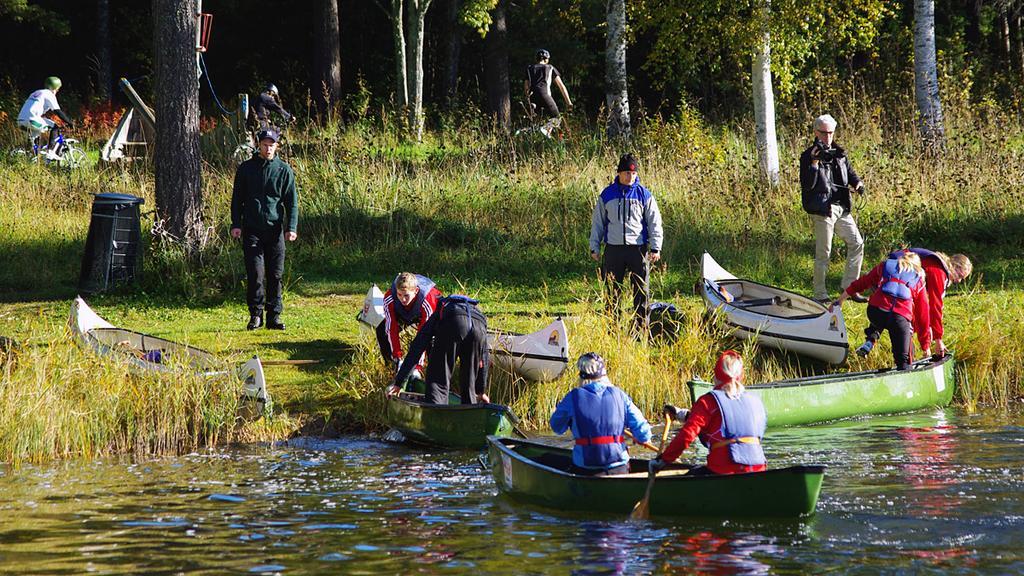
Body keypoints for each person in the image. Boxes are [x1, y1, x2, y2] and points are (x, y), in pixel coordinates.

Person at [651, 350, 766, 476]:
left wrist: (663, 460)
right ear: (742, 375)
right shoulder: (755, 401)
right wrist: (682, 414)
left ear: (715, 376)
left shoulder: (708, 401)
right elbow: (727, 422)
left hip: (723, 469)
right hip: (758, 468)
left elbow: (687, 435)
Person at [230, 128, 298, 331]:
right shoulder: (246, 169)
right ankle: (256, 315)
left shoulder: (283, 170)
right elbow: (237, 200)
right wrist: (236, 224)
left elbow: (291, 202)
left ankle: (274, 316)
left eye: (272, 145)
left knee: (276, 274)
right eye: (265, 144)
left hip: (275, 231)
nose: (268, 148)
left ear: (277, 146)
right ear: (258, 145)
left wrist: (291, 227)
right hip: (252, 229)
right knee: (256, 273)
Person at [589, 153, 664, 334]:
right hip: (613, 250)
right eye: (626, 173)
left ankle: (640, 330)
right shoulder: (607, 195)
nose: (629, 177)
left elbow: (654, 221)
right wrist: (594, 246)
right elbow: (598, 222)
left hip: (637, 250)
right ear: (619, 174)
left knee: (641, 291)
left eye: (633, 174)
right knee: (612, 292)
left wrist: (655, 247)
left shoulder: (644, 195)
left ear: (636, 174)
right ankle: (612, 329)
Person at [549, 352, 653, 476]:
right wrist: (641, 438)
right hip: (619, 467)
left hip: (586, 469)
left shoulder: (573, 397)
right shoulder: (620, 395)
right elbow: (643, 432)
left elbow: (557, 427)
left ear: (581, 375)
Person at [800, 114, 866, 304]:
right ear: (815, 132)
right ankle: (819, 294)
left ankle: (850, 287)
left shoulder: (839, 152)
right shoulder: (807, 156)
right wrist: (814, 164)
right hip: (823, 209)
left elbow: (850, 172)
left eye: (830, 133)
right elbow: (807, 185)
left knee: (857, 243)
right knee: (824, 253)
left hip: (842, 206)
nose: (827, 137)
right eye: (823, 133)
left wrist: (858, 183)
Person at [832, 249, 931, 370]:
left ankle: (871, 338)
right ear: (917, 266)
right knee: (903, 359)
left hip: (875, 312)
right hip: (898, 319)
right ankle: (905, 371)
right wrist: (926, 346)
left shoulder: (885, 266)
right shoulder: (919, 279)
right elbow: (923, 314)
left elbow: (863, 282)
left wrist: (840, 299)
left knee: (882, 312)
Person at [387, 295, 490, 405]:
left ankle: (436, 414)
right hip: (479, 329)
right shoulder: (478, 313)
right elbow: (484, 357)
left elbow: (418, 346)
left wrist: (399, 382)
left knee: (438, 380)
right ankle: (470, 413)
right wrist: (480, 390)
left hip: (454, 322)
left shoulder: (441, 310)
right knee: (469, 380)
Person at [377, 272, 444, 376]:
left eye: (406, 295)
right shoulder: (389, 297)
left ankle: (433, 374)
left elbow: (424, 335)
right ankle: (392, 367)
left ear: (416, 291)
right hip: (403, 313)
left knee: (432, 339)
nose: (403, 299)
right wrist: (397, 356)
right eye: (399, 295)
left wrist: (417, 366)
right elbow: (391, 328)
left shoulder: (428, 299)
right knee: (381, 331)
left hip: (428, 313)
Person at [913, 249, 972, 357]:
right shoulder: (938, 272)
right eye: (960, 276)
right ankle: (907, 362)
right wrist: (938, 339)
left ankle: (909, 357)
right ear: (955, 266)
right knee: (906, 327)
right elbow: (935, 306)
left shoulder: (939, 268)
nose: (958, 281)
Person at [17, 76, 74, 160]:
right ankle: (50, 152)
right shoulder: (49, 94)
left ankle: (30, 155)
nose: (58, 91)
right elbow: (57, 111)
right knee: (54, 127)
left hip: (20, 120)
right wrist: (69, 122)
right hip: (32, 119)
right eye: (58, 88)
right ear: (55, 87)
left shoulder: (36, 93)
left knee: (35, 138)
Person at [524, 49, 572, 137]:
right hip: (545, 95)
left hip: (533, 97)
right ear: (546, 59)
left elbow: (526, 87)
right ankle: (546, 130)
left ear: (536, 59)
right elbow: (561, 86)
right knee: (556, 119)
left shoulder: (529, 68)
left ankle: (540, 140)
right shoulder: (550, 68)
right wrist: (568, 102)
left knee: (535, 124)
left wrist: (528, 100)